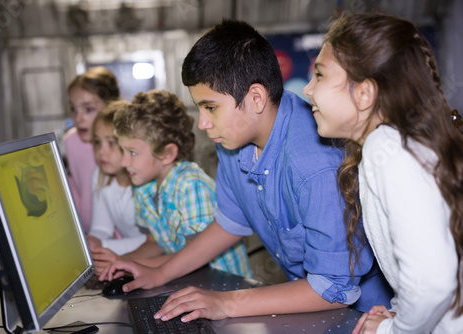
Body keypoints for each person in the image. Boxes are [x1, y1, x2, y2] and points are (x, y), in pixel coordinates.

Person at [100, 19, 392, 322]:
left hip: (365, 315)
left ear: (255, 98)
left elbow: (332, 289)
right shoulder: (233, 140)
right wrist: (159, 273)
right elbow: (230, 222)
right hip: (306, 301)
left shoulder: (314, 165)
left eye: (210, 107)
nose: (203, 123)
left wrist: (225, 303)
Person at [302, 13, 463, 334]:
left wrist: (392, 331)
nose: (308, 90)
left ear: (364, 93)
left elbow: (433, 281)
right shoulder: (400, 145)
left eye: (319, 75)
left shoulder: (386, 149)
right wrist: (399, 312)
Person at [93, 91, 251, 278]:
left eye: (132, 152)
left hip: (222, 285)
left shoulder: (191, 186)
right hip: (184, 280)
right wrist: (120, 261)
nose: (125, 162)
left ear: (167, 154)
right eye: (122, 151)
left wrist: (130, 263)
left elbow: (193, 258)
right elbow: (155, 242)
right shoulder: (144, 188)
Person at [86, 101, 146, 273]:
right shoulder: (100, 176)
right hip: (129, 259)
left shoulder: (145, 182)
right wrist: (92, 243)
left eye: (111, 143)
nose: (101, 152)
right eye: (97, 142)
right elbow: (101, 228)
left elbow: (156, 242)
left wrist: (103, 246)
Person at [63, 66, 120, 232]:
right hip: (90, 234)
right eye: (73, 109)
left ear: (111, 108)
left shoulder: (124, 142)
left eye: (88, 109)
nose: (78, 118)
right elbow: (78, 192)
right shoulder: (71, 141)